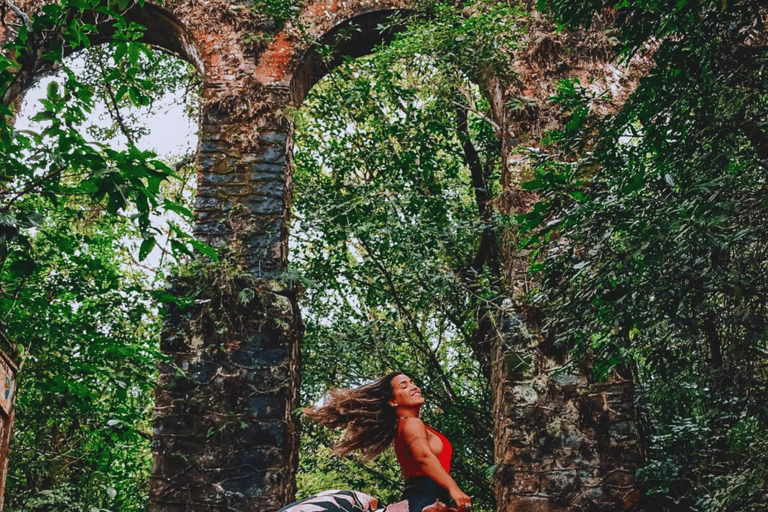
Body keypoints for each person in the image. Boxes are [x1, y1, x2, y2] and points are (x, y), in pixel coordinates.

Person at [302, 371, 472, 512]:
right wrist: (454, 489)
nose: (413, 387)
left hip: (427, 501)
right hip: (422, 502)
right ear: (393, 401)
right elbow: (424, 458)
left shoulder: (408, 426)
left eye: (412, 383)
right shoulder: (411, 423)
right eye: (404, 386)